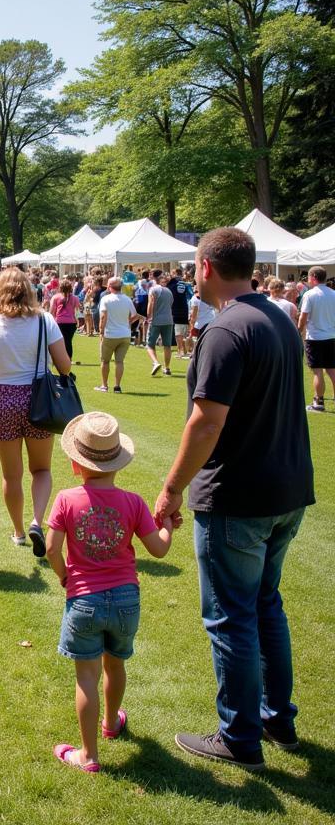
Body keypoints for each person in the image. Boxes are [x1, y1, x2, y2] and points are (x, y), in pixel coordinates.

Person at [154, 227, 314, 770]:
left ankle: (240, 736)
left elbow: (206, 422)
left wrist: (172, 487)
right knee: (266, 605)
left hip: (239, 495)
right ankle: (276, 719)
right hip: (286, 487)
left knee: (232, 617)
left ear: (204, 268)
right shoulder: (278, 318)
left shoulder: (227, 329)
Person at [46, 412, 176, 772]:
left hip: (83, 599)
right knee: (114, 664)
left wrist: (64, 577)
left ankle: (88, 755)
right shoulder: (133, 502)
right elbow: (159, 549)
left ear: (76, 463)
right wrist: (166, 525)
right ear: (118, 462)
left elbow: (52, 549)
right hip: (125, 600)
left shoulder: (66, 499)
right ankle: (111, 724)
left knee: (86, 675)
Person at [0, 267, 70, 554]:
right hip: (39, 398)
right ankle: (37, 520)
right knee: (41, 469)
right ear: (28, 290)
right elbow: (64, 366)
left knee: (11, 475)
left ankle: (18, 530)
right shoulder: (44, 320)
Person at [298, 266, 335, 413]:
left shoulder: (310, 294)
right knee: (332, 370)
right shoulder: (333, 293)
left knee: (318, 371)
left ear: (313, 276)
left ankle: (318, 403)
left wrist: (298, 332)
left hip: (315, 338)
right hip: (331, 337)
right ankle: (319, 401)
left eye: (308, 276)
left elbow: (303, 317)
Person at [95, 278, 139, 394]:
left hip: (110, 334)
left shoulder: (106, 299)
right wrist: (127, 322)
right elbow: (135, 315)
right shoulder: (127, 299)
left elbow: (103, 317)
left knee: (105, 361)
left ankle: (104, 385)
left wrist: (101, 331)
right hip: (124, 334)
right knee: (119, 362)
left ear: (109, 286)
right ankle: (117, 386)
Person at [145, 269, 175, 376]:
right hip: (168, 320)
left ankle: (156, 362)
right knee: (167, 345)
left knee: (149, 345)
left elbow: (151, 304)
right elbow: (171, 305)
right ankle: (167, 368)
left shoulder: (153, 290)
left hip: (156, 320)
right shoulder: (168, 291)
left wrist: (148, 317)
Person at [50, 280, 81, 360]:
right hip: (71, 323)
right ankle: (68, 359)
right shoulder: (75, 298)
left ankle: (59, 359)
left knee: (59, 342)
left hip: (59, 322)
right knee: (68, 341)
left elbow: (52, 311)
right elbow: (77, 311)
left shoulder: (55, 297)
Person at [169, 268, 193, 359]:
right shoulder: (186, 284)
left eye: (172, 273)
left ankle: (181, 351)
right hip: (185, 310)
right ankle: (185, 350)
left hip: (176, 310)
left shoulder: (172, 284)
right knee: (184, 331)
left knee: (178, 333)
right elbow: (191, 296)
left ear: (175, 273)